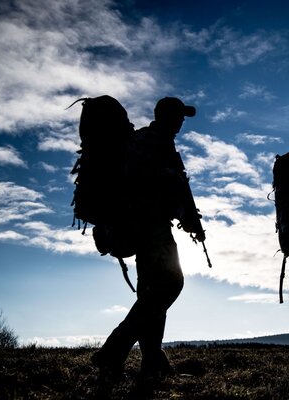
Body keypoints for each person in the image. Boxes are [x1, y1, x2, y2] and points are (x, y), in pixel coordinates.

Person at [91, 97, 204, 382]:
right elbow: (143, 182)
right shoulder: (149, 141)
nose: (181, 123)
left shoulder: (160, 142)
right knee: (170, 283)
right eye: (178, 116)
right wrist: (168, 187)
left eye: (182, 118)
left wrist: (188, 217)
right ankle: (113, 350)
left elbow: (171, 187)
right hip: (147, 225)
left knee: (152, 293)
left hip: (149, 225)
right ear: (165, 116)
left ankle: (152, 361)